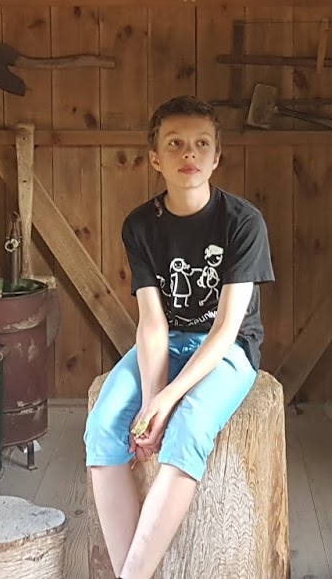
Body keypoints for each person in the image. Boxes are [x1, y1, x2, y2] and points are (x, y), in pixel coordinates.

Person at [85, 95, 275, 579]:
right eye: (174, 143)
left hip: (227, 350)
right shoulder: (140, 226)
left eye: (201, 144)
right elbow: (152, 323)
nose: (189, 153)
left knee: (189, 426)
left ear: (217, 157)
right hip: (167, 342)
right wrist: (151, 401)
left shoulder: (243, 222)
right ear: (155, 158)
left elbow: (227, 328)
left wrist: (169, 401)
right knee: (104, 426)